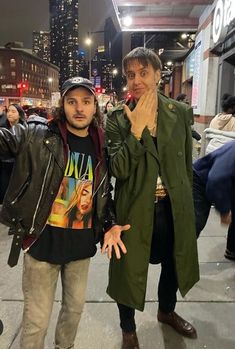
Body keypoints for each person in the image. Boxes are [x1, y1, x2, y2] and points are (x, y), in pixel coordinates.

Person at [0, 76, 128, 349]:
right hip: (42, 246)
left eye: (85, 101)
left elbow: (104, 194)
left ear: (95, 106)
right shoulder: (38, 134)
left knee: (73, 312)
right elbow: (6, 140)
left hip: (80, 250)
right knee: (36, 322)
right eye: (72, 102)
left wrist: (110, 223)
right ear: (62, 105)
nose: (79, 108)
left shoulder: (101, 145)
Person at [102, 47, 199, 348]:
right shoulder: (117, 118)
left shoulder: (179, 112)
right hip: (134, 210)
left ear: (159, 75)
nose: (136, 80)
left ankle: (166, 311)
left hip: (172, 208)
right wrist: (137, 131)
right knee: (127, 272)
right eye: (131, 74)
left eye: (144, 72)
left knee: (173, 263)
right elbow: (118, 168)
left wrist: (189, 205)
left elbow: (185, 168)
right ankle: (128, 328)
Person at [193, 141, 235, 251]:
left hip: (224, 182)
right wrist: (224, 211)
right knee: (194, 225)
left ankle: (232, 249)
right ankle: (178, 262)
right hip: (200, 180)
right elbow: (217, 179)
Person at [0, 104, 25, 204]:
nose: (9, 114)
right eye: (8, 111)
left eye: (13, 111)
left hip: (17, 168)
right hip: (3, 167)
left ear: (20, 115)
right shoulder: (2, 127)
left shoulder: (24, 129)